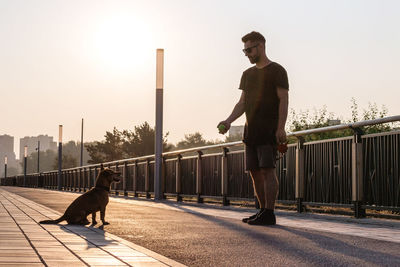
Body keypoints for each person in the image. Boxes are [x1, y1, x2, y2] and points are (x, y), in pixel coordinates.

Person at [218, 31, 289, 225]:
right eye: (244, 51)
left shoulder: (277, 70)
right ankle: (261, 210)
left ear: (261, 46)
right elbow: (242, 103)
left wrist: (280, 128)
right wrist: (228, 120)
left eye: (249, 49)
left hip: (269, 129)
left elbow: (283, 99)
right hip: (251, 131)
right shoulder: (247, 74)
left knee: (267, 170)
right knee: (255, 172)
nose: (247, 54)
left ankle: (269, 212)